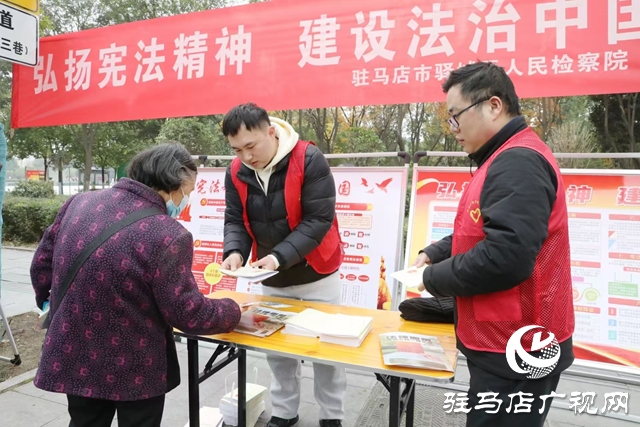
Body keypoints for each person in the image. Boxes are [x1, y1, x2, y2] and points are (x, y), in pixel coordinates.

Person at [30, 142, 244, 427]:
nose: (186, 201)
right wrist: (233, 309)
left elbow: (41, 265)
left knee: (84, 422)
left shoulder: (78, 203)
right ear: (174, 181)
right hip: (135, 364)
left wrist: (49, 304)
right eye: (188, 192)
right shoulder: (169, 234)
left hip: (75, 351)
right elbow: (187, 312)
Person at [413, 62, 575, 427]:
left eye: (456, 117)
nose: (452, 129)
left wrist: (434, 278)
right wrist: (435, 253)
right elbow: (482, 230)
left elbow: (506, 257)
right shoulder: (502, 157)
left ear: (494, 106)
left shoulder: (516, 162)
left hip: (519, 348)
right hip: (504, 339)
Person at [221, 103, 345, 427]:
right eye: (237, 149)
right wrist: (234, 251)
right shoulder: (236, 171)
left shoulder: (307, 158)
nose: (246, 157)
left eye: (251, 146)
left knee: (327, 349)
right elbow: (235, 219)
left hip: (317, 270)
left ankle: (332, 416)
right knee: (277, 348)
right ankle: (285, 411)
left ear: (271, 132)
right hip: (271, 276)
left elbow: (319, 219)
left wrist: (278, 257)